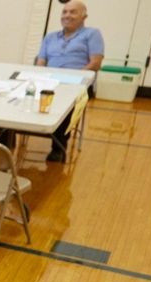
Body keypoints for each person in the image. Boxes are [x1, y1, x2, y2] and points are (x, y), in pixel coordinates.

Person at [36, 0, 104, 162]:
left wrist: (74, 78)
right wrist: (39, 77)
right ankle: (5, 137)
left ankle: (58, 147)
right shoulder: (50, 37)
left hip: (77, 83)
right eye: (64, 12)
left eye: (73, 12)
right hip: (50, 81)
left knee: (66, 104)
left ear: (84, 16)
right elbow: (41, 61)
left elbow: (95, 63)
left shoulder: (92, 34)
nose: (67, 15)